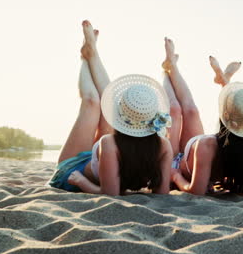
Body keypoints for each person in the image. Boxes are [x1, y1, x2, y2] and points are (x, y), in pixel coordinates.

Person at [47, 20, 173, 195]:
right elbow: (160, 194)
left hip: (69, 173)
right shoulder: (158, 144)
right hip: (91, 160)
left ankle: (85, 57)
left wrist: (81, 181)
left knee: (91, 102)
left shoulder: (114, 144)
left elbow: (110, 194)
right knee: (97, 101)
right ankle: (89, 54)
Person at [161, 38, 243, 196]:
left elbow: (195, 192)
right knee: (191, 110)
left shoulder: (210, 145)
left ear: (223, 114)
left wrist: (175, 175)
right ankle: (171, 66)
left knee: (175, 109)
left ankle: (165, 70)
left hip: (175, 160)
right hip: (194, 153)